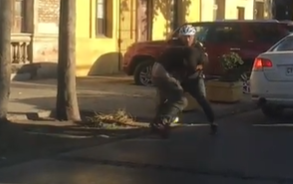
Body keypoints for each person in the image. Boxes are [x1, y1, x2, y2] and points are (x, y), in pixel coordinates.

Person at [151, 25, 217, 137]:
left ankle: (213, 122)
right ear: (180, 37)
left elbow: (203, 61)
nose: (187, 40)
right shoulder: (175, 45)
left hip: (194, 78)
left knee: (201, 98)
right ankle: (161, 124)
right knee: (169, 98)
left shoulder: (198, 47)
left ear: (193, 37)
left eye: (189, 37)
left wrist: (199, 66)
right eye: (184, 37)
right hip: (177, 77)